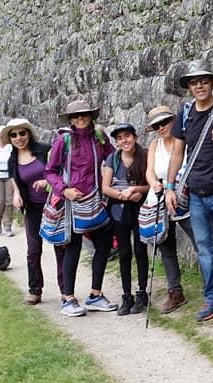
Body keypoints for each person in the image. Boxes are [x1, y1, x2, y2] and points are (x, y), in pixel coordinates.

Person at [164, 60, 213, 323]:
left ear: (212, 84)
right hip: (195, 193)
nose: (199, 86)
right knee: (205, 250)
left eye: (204, 81)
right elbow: (177, 152)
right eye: (194, 82)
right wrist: (169, 186)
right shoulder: (185, 114)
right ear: (189, 87)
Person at [44, 100, 117, 317]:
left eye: (84, 115)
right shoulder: (63, 140)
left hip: (94, 198)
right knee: (72, 247)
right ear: (70, 120)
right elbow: (50, 171)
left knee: (104, 243)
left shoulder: (99, 137)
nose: (80, 119)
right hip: (71, 201)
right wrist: (64, 190)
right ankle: (68, 298)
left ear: (90, 116)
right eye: (75, 117)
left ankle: (95, 294)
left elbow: (113, 158)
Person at [143, 105, 198, 314]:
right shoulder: (155, 146)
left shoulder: (181, 141)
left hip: (183, 198)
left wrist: (170, 187)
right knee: (166, 247)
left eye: (164, 122)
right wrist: (155, 184)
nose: (161, 128)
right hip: (159, 199)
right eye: (156, 125)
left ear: (173, 122)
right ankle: (175, 290)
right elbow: (149, 172)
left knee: (200, 242)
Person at [6, 118, 59, 305]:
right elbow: (14, 177)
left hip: (55, 204)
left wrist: (48, 181)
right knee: (33, 250)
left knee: (60, 247)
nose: (19, 138)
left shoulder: (44, 150)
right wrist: (16, 193)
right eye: (14, 135)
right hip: (33, 208)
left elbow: (59, 170)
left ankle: (66, 290)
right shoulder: (12, 159)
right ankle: (35, 290)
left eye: (22, 133)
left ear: (29, 134)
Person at [101, 123, 150, 315]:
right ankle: (126, 295)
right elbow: (105, 187)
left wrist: (136, 190)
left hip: (141, 208)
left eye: (127, 136)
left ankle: (142, 292)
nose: (124, 141)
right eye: (120, 138)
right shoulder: (112, 159)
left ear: (135, 137)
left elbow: (151, 184)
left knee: (140, 249)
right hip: (119, 209)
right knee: (124, 252)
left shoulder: (145, 156)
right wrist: (123, 195)